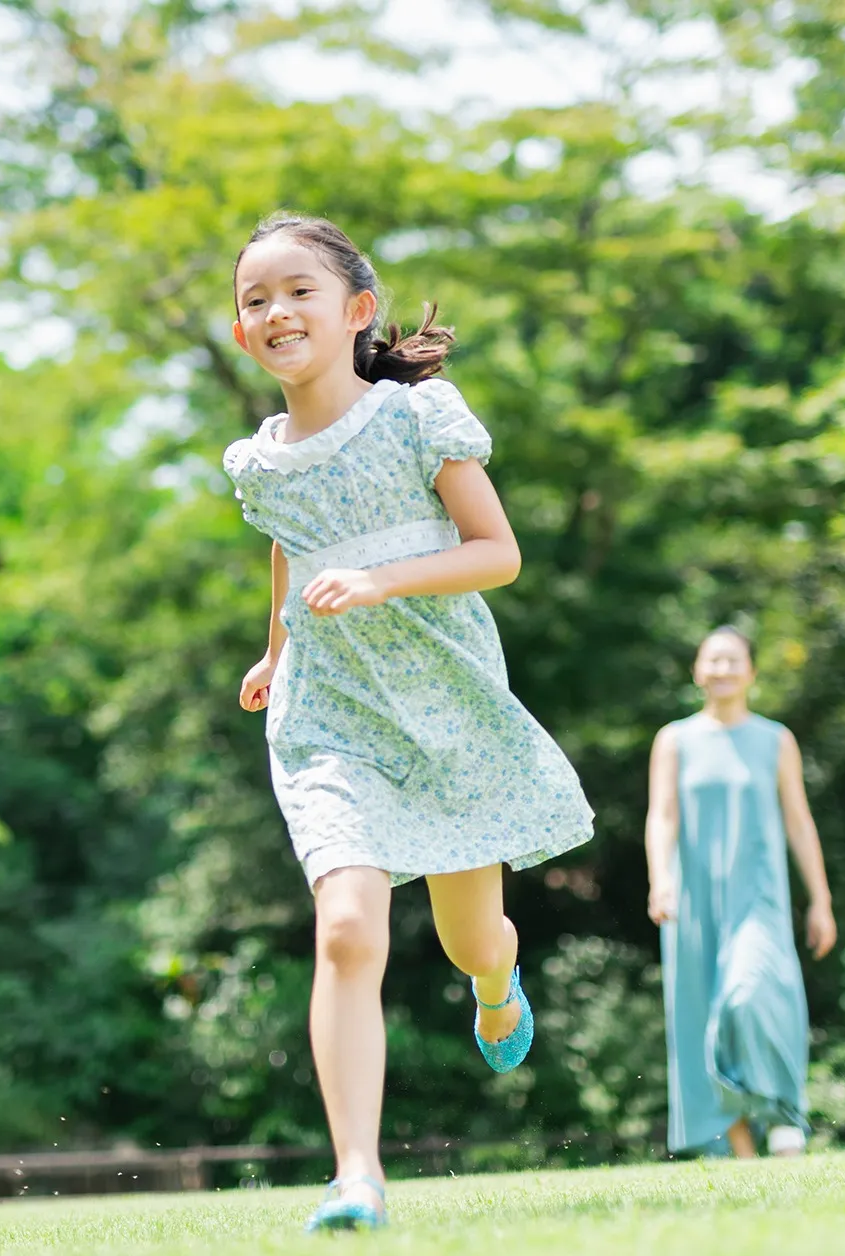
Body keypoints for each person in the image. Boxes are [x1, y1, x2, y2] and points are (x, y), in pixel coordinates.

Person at [222, 213, 594, 1232]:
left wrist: (381, 580)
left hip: (446, 703)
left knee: (470, 935)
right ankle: (356, 1175)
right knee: (346, 926)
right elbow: (294, 552)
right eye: (255, 299)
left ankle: (497, 980)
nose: (274, 311)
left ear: (357, 311)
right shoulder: (256, 463)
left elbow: (497, 551)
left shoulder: (414, 418)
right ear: (244, 330)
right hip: (328, 713)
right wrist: (277, 649)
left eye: (297, 290)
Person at [645, 626, 837, 1159]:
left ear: (751, 672)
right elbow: (661, 817)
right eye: (713, 660)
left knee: (750, 992)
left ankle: (781, 1112)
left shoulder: (776, 740)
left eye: (734, 660)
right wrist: (660, 879)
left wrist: (820, 898)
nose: (723, 669)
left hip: (759, 894)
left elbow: (799, 822)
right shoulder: (675, 739)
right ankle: (738, 1149)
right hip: (693, 900)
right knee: (700, 1010)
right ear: (697, 671)